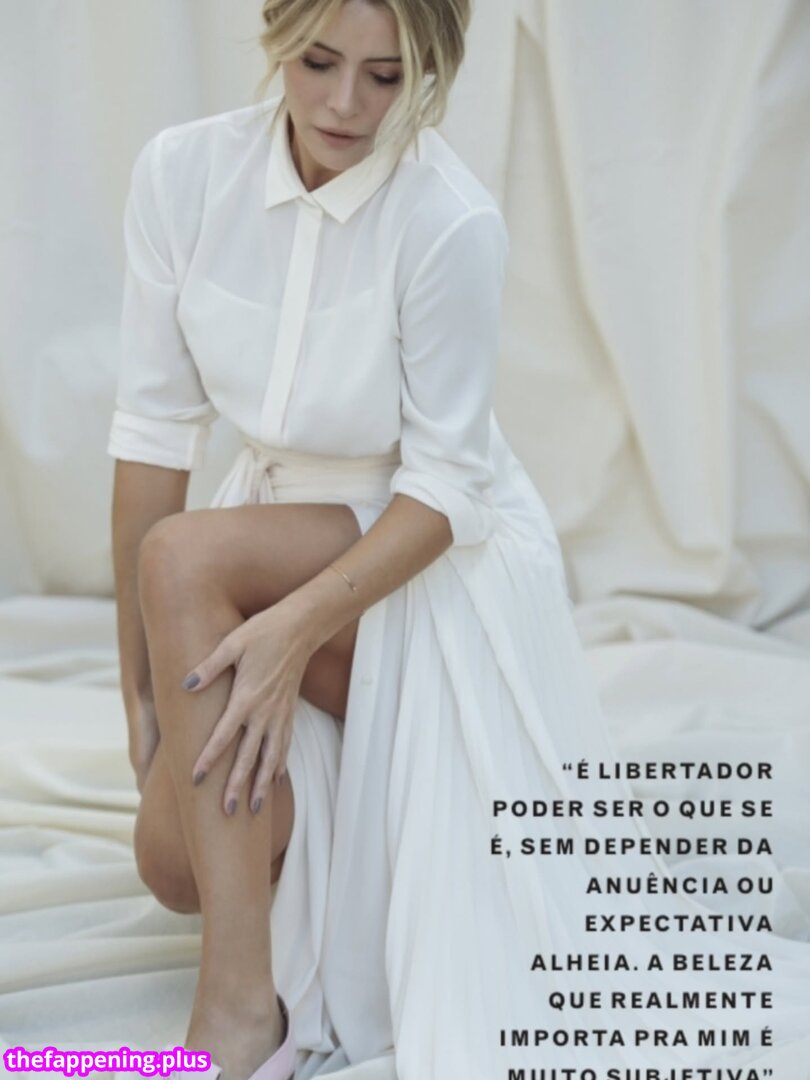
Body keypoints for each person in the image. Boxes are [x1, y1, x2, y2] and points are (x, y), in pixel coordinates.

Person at [108, 2, 810, 1079]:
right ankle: (329, 889)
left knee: (184, 556)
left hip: (429, 555)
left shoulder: (449, 221)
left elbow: (446, 492)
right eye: (319, 62)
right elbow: (153, 437)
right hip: (266, 535)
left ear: (430, 71)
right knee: (171, 864)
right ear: (277, 35)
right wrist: (144, 700)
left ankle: (241, 1012)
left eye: (386, 76)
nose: (346, 103)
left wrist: (294, 626)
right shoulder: (182, 175)